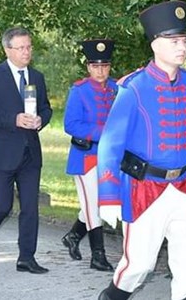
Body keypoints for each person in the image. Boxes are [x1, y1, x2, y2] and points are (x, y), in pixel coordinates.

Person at [96, 1, 186, 300]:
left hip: (183, 186)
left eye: (184, 40)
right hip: (145, 188)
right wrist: (108, 196)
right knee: (139, 265)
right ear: (155, 44)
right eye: (174, 41)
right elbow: (110, 142)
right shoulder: (133, 87)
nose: (182, 47)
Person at [0, 27, 53, 274]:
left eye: (29, 47)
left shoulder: (36, 77)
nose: (27, 52)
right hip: (0, 153)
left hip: (30, 153)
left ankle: (26, 257)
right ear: (8, 49)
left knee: (30, 207)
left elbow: (46, 109)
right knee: (1, 206)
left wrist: (41, 120)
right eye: (21, 47)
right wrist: (13, 119)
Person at [60, 39, 117, 272]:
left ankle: (73, 236)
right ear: (88, 67)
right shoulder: (80, 91)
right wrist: (103, 134)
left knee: (101, 206)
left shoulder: (117, 89)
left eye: (104, 66)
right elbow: (70, 124)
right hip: (87, 158)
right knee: (94, 207)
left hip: (112, 158)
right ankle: (98, 256)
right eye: (95, 66)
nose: (100, 71)